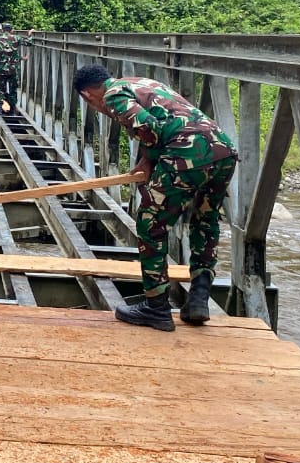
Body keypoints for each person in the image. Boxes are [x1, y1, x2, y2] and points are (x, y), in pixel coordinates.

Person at [73, 64, 238, 332]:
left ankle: (156, 307)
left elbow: (150, 128)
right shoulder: (141, 82)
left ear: (87, 96)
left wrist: (149, 159)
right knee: (205, 219)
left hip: (186, 152)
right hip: (223, 151)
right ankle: (198, 300)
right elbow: (163, 122)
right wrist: (147, 161)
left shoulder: (113, 95)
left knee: (150, 226)